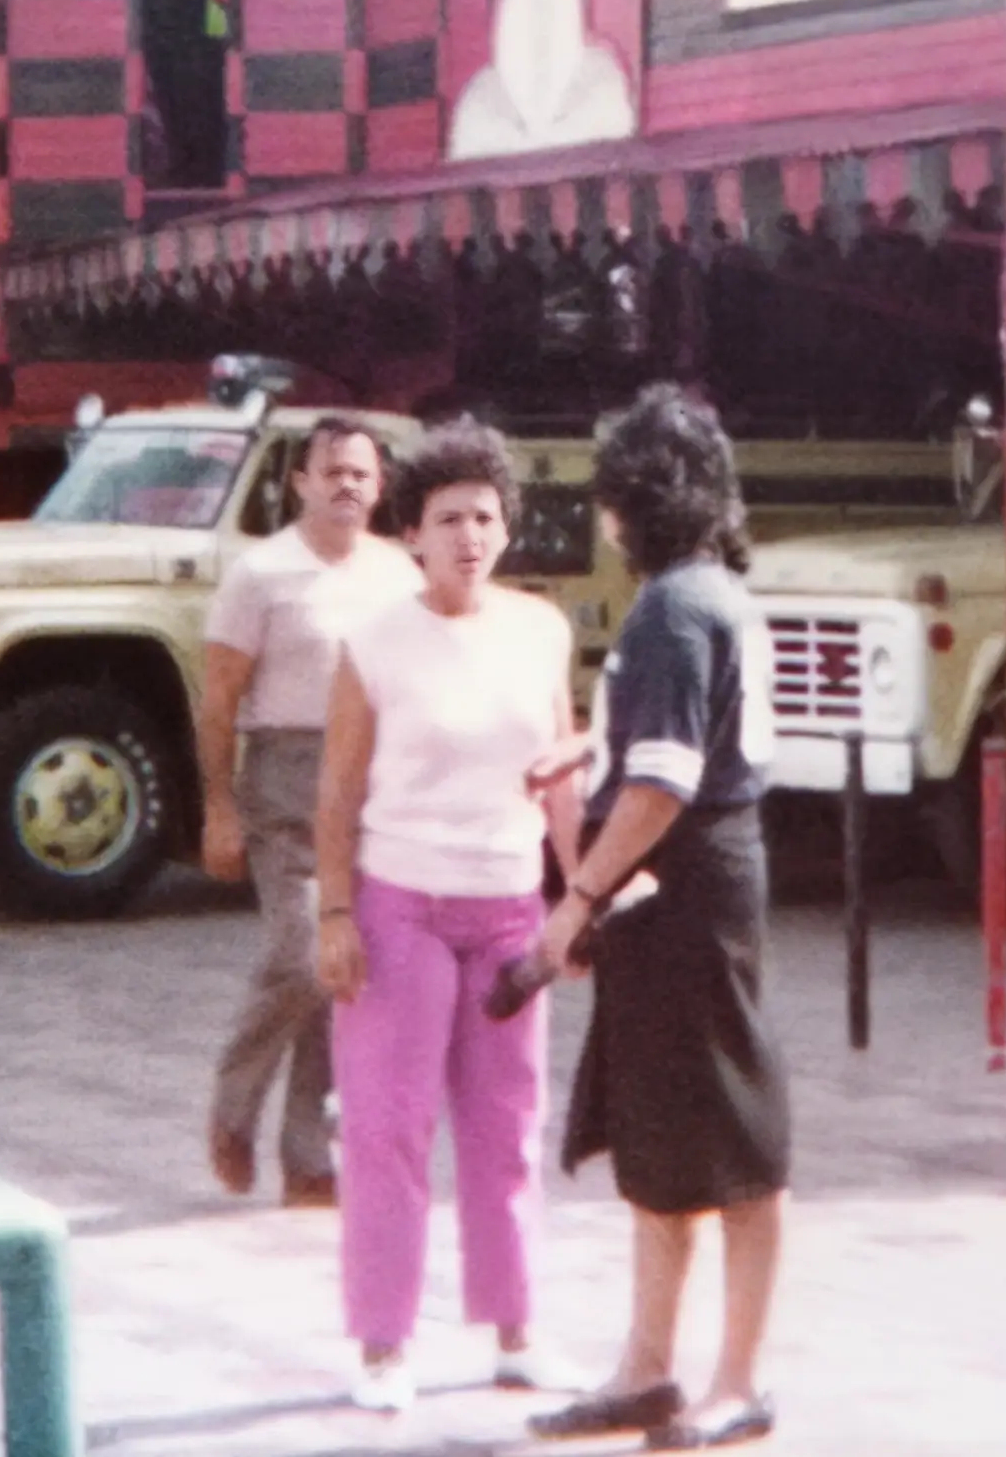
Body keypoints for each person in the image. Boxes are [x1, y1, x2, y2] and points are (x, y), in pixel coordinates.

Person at [522, 387, 787, 1452]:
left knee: (733, 1130)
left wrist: (575, 900)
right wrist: (591, 752)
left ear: (632, 501)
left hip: (683, 880)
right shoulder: (715, 592)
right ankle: (649, 1366)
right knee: (669, 1121)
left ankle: (736, 1379)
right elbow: (681, 740)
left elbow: (667, 782)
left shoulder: (673, 606)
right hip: (700, 876)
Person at [314, 420, 586, 1413]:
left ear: (506, 528)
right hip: (400, 910)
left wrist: (579, 898)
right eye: (447, 519)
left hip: (511, 911)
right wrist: (336, 912)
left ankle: (517, 1327)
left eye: (484, 515)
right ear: (414, 535)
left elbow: (560, 781)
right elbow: (337, 792)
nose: (468, 535)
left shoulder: (542, 628)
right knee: (389, 1125)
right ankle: (384, 1343)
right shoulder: (375, 641)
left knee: (509, 1123)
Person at [200, 416, 420, 1207]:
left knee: (343, 969)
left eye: (361, 473)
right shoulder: (261, 575)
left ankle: (308, 1155)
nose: (347, 486)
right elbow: (218, 697)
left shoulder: (400, 573)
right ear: (300, 482)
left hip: (371, 783)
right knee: (301, 954)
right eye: (331, 471)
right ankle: (232, 1106)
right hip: (285, 785)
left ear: (380, 485)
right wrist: (217, 806)